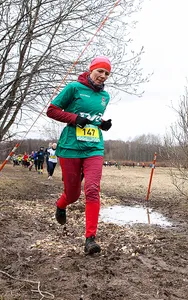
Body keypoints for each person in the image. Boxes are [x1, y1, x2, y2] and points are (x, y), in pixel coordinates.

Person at [46, 56, 113, 255]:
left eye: (107, 73)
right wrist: (75, 118)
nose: (103, 76)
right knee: (73, 195)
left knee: (92, 189)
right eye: (100, 71)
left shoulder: (105, 97)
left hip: (94, 148)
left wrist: (102, 124)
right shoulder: (74, 88)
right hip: (70, 147)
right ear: (91, 70)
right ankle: (61, 204)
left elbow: (92, 119)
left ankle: (90, 239)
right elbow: (52, 110)